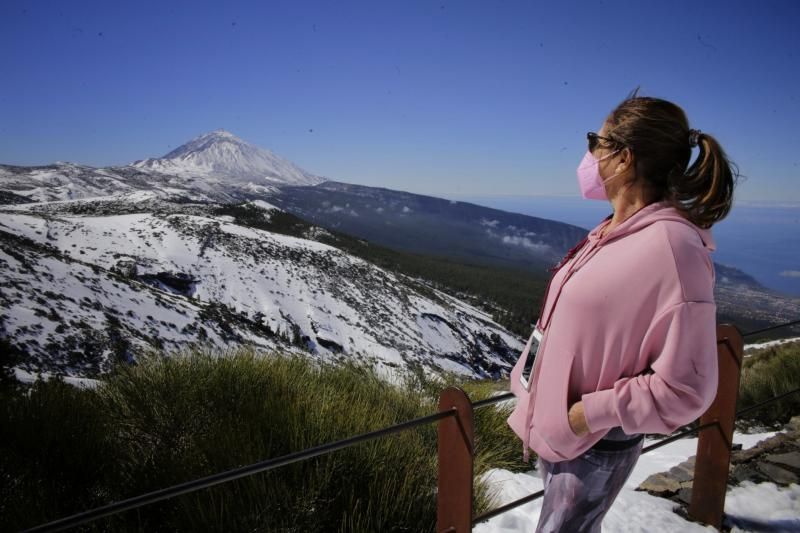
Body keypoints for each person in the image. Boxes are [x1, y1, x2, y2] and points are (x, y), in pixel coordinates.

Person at [507, 90, 737, 533]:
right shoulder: (616, 230)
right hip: (567, 435)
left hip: (594, 442)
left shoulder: (674, 248)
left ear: (624, 158)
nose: (589, 153)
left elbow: (687, 389)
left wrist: (584, 415)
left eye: (597, 140)